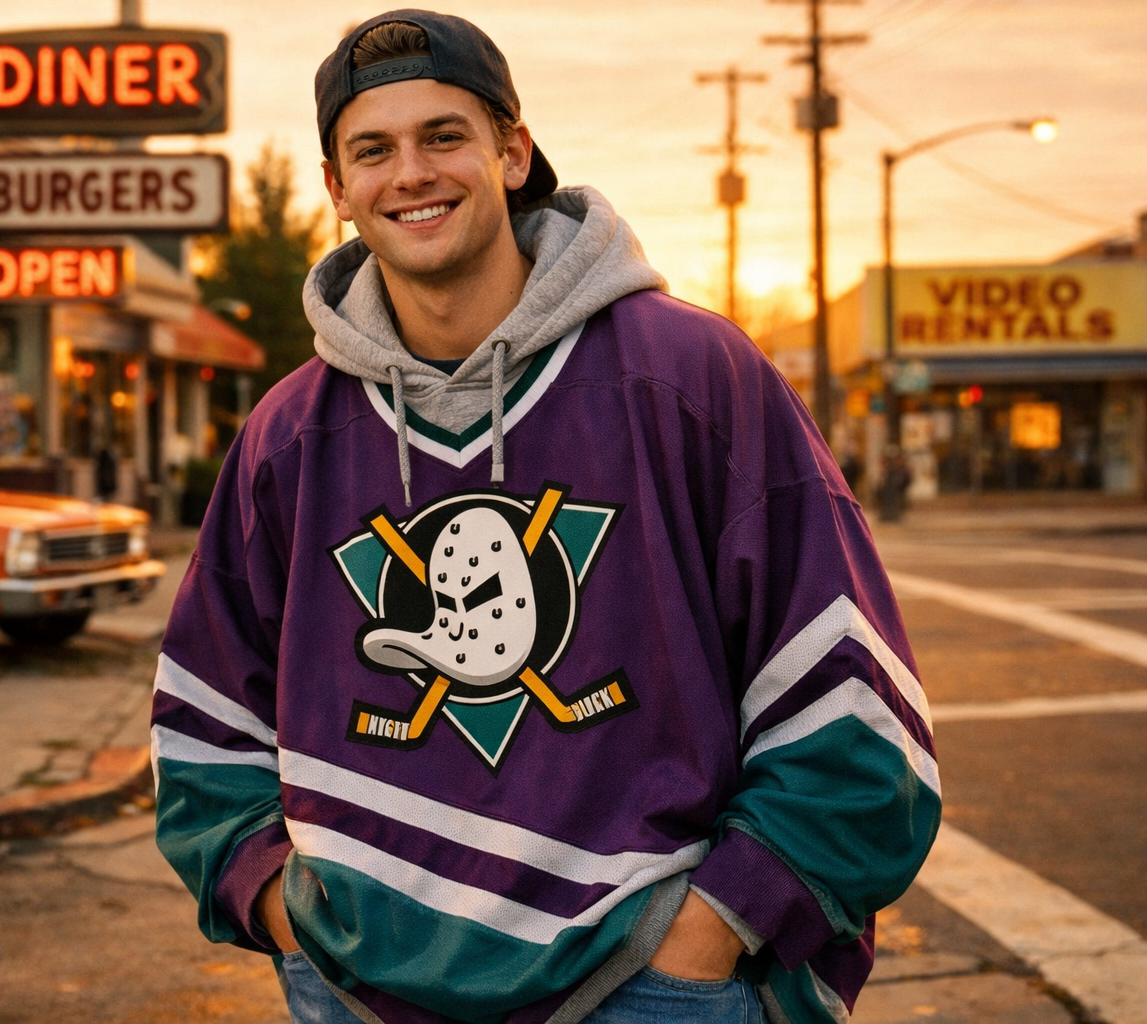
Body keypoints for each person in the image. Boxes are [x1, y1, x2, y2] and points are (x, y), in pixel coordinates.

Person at [153, 11, 938, 1024]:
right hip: (360, 992)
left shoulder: (689, 376)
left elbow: (851, 696)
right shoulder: (289, 435)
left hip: (649, 989)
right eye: (373, 150)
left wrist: (713, 930)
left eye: (445, 136)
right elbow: (203, 715)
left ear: (512, 152)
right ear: (336, 189)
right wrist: (286, 909)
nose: (412, 175)